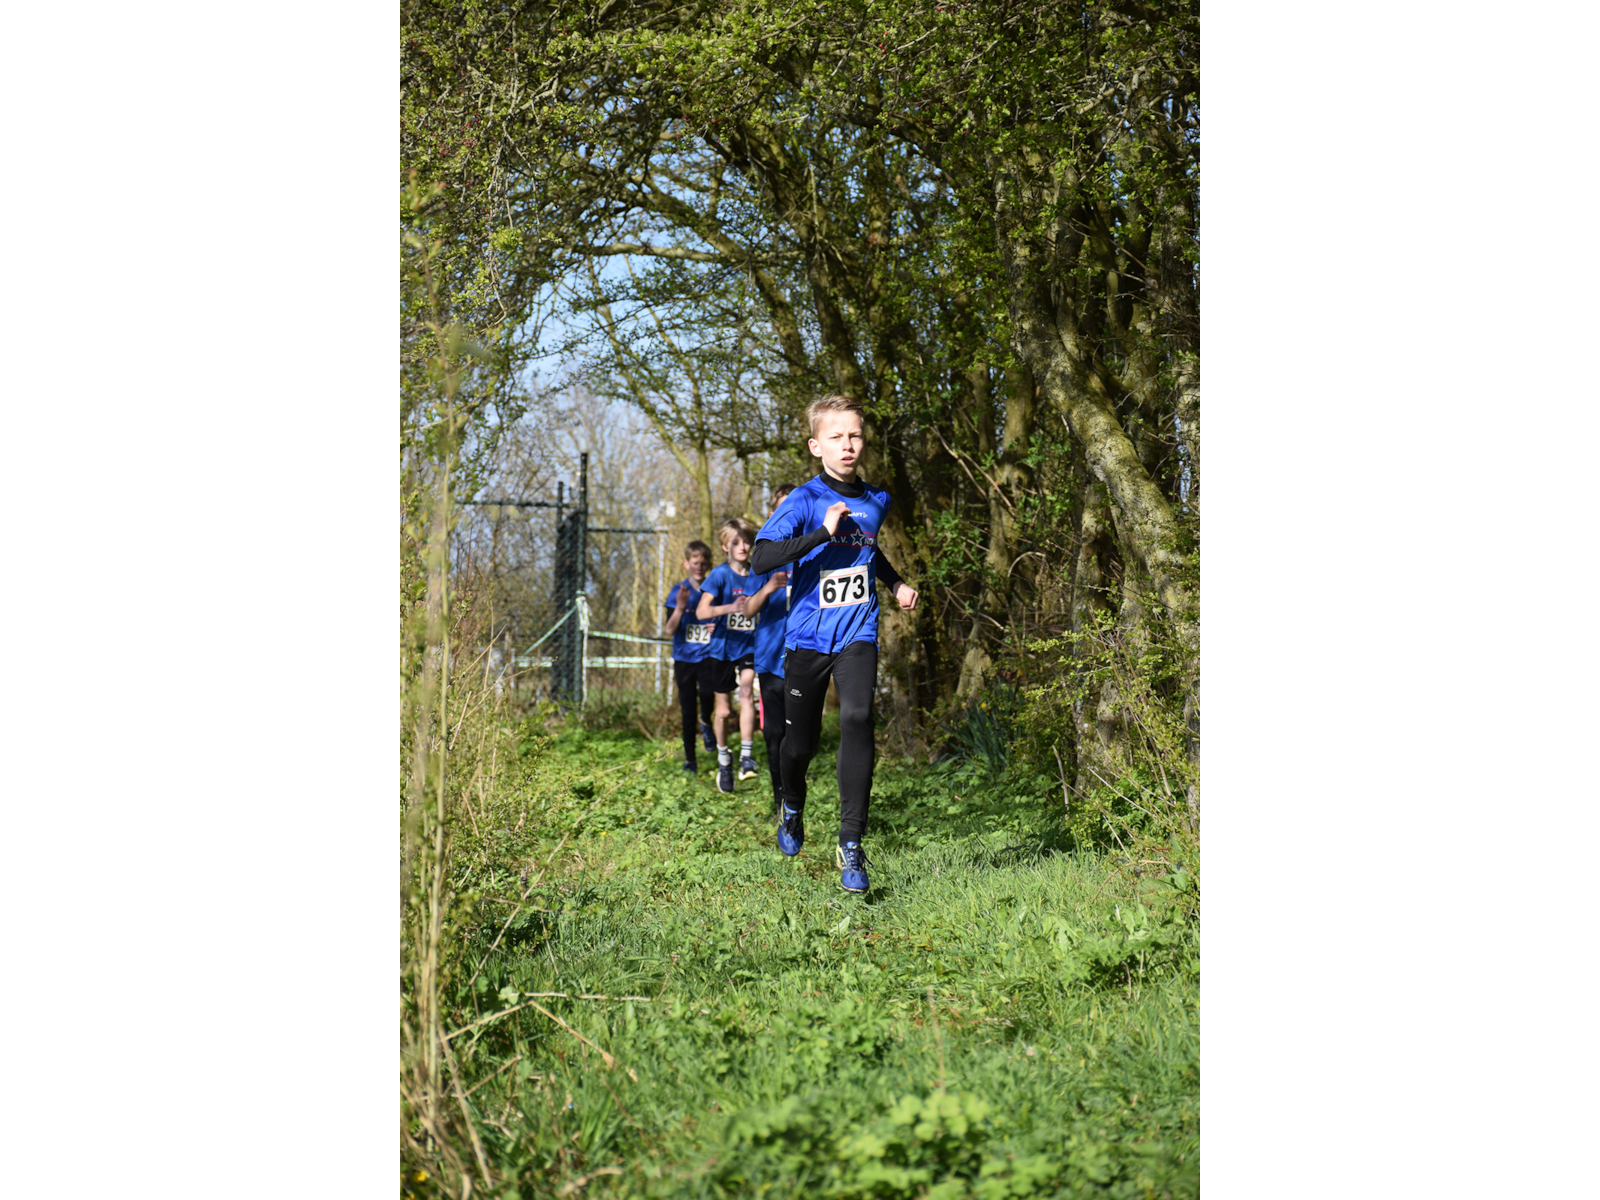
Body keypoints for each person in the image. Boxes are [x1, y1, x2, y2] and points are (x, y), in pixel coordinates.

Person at [751, 395, 918, 893]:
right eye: (836, 436)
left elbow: (867, 548)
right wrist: (822, 533)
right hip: (807, 638)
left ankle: (851, 842)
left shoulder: (877, 500)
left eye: (855, 435)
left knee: (858, 718)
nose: (847, 445)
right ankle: (792, 805)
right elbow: (762, 558)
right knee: (799, 746)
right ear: (815, 445)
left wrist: (895, 583)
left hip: (858, 633)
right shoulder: (803, 501)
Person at [696, 518, 771, 794]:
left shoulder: (758, 573)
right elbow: (702, 612)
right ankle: (724, 760)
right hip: (722, 649)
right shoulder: (719, 575)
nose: (743, 547)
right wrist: (730, 607)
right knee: (724, 711)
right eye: (736, 542)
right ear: (725, 546)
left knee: (747, 690)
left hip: (749, 645)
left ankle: (747, 758)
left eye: (747, 541)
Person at [752, 485, 796, 815]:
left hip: (804, 659)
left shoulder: (812, 553)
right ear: (772, 516)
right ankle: (780, 800)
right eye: (782, 509)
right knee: (774, 734)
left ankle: (796, 797)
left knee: (801, 738)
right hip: (770, 661)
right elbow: (748, 609)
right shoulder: (764, 559)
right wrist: (768, 588)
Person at [662, 540, 717, 775]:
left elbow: (721, 619)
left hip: (707, 655)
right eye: (695, 563)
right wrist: (680, 607)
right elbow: (669, 629)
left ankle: (706, 721)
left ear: (708, 565)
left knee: (707, 695)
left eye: (703, 563)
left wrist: (715, 626)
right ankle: (690, 760)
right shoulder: (678, 591)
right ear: (687, 564)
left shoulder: (714, 590)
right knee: (687, 710)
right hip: (684, 658)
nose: (699, 567)